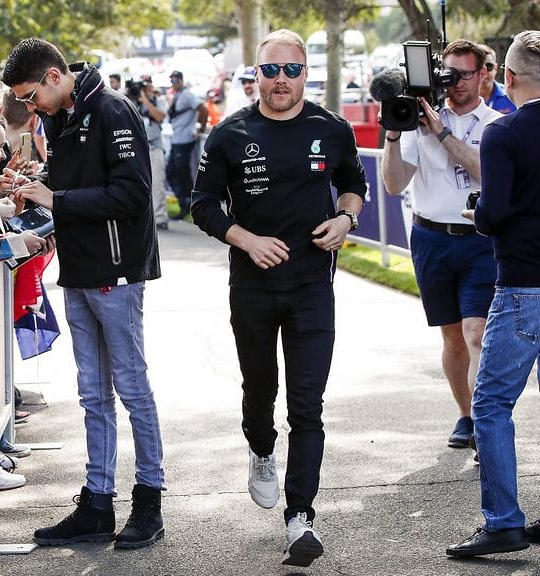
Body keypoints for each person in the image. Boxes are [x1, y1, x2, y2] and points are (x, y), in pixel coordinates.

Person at [191, 29, 367, 567]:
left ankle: (301, 517)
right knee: (260, 393)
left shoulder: (331, 128)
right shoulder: (229, 134)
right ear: (256, 76)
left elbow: (353, 184)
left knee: (307, 405)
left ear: (305, 73)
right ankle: (261, 450)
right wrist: (245, 239)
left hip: (313, 286)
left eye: (291, 70)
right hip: (253, 288)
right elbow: (202, 203)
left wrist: (346, 218)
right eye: (271, 71)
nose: (282, 80)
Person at [4, 37, 165, 550]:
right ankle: (97, 502)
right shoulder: (59, 116)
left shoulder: (113, 109)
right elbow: (73, 183)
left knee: (131, 387)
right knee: (92, 393)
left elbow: (134, 193)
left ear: (54, 76)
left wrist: (56, 196)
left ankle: (149, 499)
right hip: (77, 269)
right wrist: (38, 182)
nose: (29, 109)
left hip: (116, 270)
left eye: (30, 96)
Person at [381, 39, 503, 450]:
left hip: (479, 240)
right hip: (430, 238)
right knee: (452, 336)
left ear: (485, 73)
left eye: (464, 75)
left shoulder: (495, 123)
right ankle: (466, 415)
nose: (455, 84)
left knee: (476, 333)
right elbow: (395, 184)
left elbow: (486, 173)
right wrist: (394, 137)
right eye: (448, 76)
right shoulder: (420, 120)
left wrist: (443, 133)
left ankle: (486, 427)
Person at [446, 30, 540, 559]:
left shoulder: (505, 133)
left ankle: (503, 521)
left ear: (507, 78)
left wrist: (476, 213)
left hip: (525, 284)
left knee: (491, 404)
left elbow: (496, 212)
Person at [132, 76, 169, 229]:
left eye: (146, 85)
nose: (145, 88)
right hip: (138, 148)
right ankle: (142, 216)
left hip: (154, 146)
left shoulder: (158, 100)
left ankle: (160, 217)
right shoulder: (132, 101)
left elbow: (159, 116)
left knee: (157, 182)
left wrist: (145, 99)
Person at [165, 70, 202, 217]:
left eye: (175, 80)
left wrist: (200, 127)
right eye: (171, 80)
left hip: (184, 139)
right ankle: (184, 202)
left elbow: (202, 108)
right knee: (171, 172)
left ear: (181, 80)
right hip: (177, 139)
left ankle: (189, 204)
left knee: (182, 174)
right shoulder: (178, 95)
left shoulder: (187, 95)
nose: (173, 83)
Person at [480, 44, 516, 115]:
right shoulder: (463, 98)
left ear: (495, 68)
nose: (484, 72)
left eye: (489, 66)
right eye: (479, 67)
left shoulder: (511, 97)